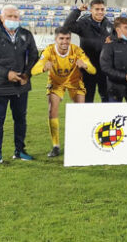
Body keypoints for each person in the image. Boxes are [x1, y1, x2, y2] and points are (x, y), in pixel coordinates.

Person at [0, 5, 38, 165]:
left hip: (21, 86)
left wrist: (27, 74)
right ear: (2, 18)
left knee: (20, 119)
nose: (13, 19)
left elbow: (33, 57)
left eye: (16, 17)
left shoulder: (26, 35)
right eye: (9, 16)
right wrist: (7, 74)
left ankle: (20, 151)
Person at [31, 27, 96, 157]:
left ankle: (80, 142)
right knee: (52, 109)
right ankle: (55, 146)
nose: (64, 41)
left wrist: (85, 66)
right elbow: (34, 70)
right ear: (55, 39)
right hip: (56, 83)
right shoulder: (49, 50)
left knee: (81, 111)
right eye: (61, 38)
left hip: (74, 82)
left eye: (67, 38)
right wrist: (43, 68)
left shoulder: (76, 51)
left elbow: (93, 70)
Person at [63, 0, 113, 103]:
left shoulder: (109, 25)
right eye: (97, 9)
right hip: (87, 68)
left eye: (102, 9)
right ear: (91, 10)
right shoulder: (84, 23)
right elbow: (67, 26)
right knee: (87, 99)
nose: (100, 12)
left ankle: (107, 119)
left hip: (104, 69)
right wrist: (78, 11)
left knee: (107, 99)